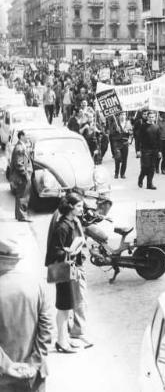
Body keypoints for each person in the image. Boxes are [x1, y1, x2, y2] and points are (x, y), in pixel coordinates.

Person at [0, 236, 52, 392]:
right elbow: (47, 328)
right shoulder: (36, 284)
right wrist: (34, 363)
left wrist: (6, 365)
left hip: (3, 377)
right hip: (33, 375)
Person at [44, 192, 92, 353]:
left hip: (70, 269)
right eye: (79, 206)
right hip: (63, 271)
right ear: (70, 207)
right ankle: (61, 342)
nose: (82, 209)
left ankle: (64, 339)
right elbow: (53, 252)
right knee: (63, 308)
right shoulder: (62, 226)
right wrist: (71, 249)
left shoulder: (70, 223)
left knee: (67, 307)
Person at [9, 130, 33, 222]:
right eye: (26, 136)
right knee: (23, 196)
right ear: (21, 136)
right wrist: (26, 174)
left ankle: (18, 215)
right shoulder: (19, 148)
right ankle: (22, 216)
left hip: (20, 177)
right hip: (21, 177)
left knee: (20, 196)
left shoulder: (21, 146)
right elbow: (19, 164)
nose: (28, 138)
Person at [136, 111, 161, 190]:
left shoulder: (157, 127)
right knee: (145, 167)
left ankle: (149, 184)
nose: (151, 118)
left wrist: (159, 151)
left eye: (153, 117)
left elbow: (159, 140)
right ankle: (141, 178)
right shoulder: (143, 126)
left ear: (155, 117)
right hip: (145, 149)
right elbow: (138, 138)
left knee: (152, 167)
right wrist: (138, 150)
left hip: (154, 150)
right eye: (150, 117)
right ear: (147, 117)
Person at [109, 112, 132, 179]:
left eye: (124, 115)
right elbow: (111, 133)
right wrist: (115, 130)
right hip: (117, 143)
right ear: (118, 116)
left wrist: (128, 132)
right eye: (121, 115)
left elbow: (131, 132)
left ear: (126, 116)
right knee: (118, 158)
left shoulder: (128, 123)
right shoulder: (115, 123)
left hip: (125, 142)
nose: (123, 116)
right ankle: (116, 173)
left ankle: (122, 174)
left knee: (124, 159)